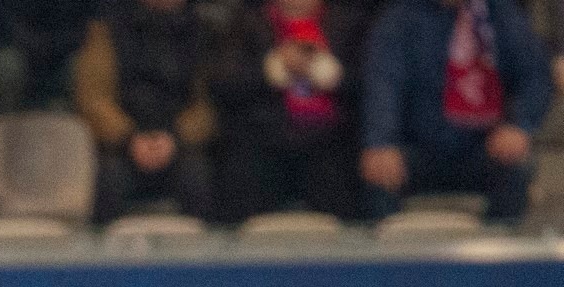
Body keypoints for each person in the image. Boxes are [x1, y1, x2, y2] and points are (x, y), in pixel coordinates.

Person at [360, 0, 553, 223]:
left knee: (518, 167)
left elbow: (535, 76)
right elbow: (384, 83)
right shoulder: (401, 18)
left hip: (482, 149)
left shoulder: (501, 15)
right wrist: (381, 141)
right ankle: (389, 254)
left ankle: (497, 249)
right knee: (378, 167)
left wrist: (519, 125)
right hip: (417, 150)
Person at [208, 0, 369, 223]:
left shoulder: (348, 22)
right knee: (239, 174)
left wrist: (336, 77)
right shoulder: (246, 23)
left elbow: (371, 84)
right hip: (264, 139)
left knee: (345, 177)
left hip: (330, 141)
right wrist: (268, 72)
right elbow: (222, 85)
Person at [74, 0, 217, 224]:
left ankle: (202, 258)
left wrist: (175, 138)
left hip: (181, 145)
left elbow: (207, 102)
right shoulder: (106, 29)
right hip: (120, 146)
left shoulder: (203, 31)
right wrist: (130, 139)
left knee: (198, 178)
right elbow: (94, 98)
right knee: (108, 181)